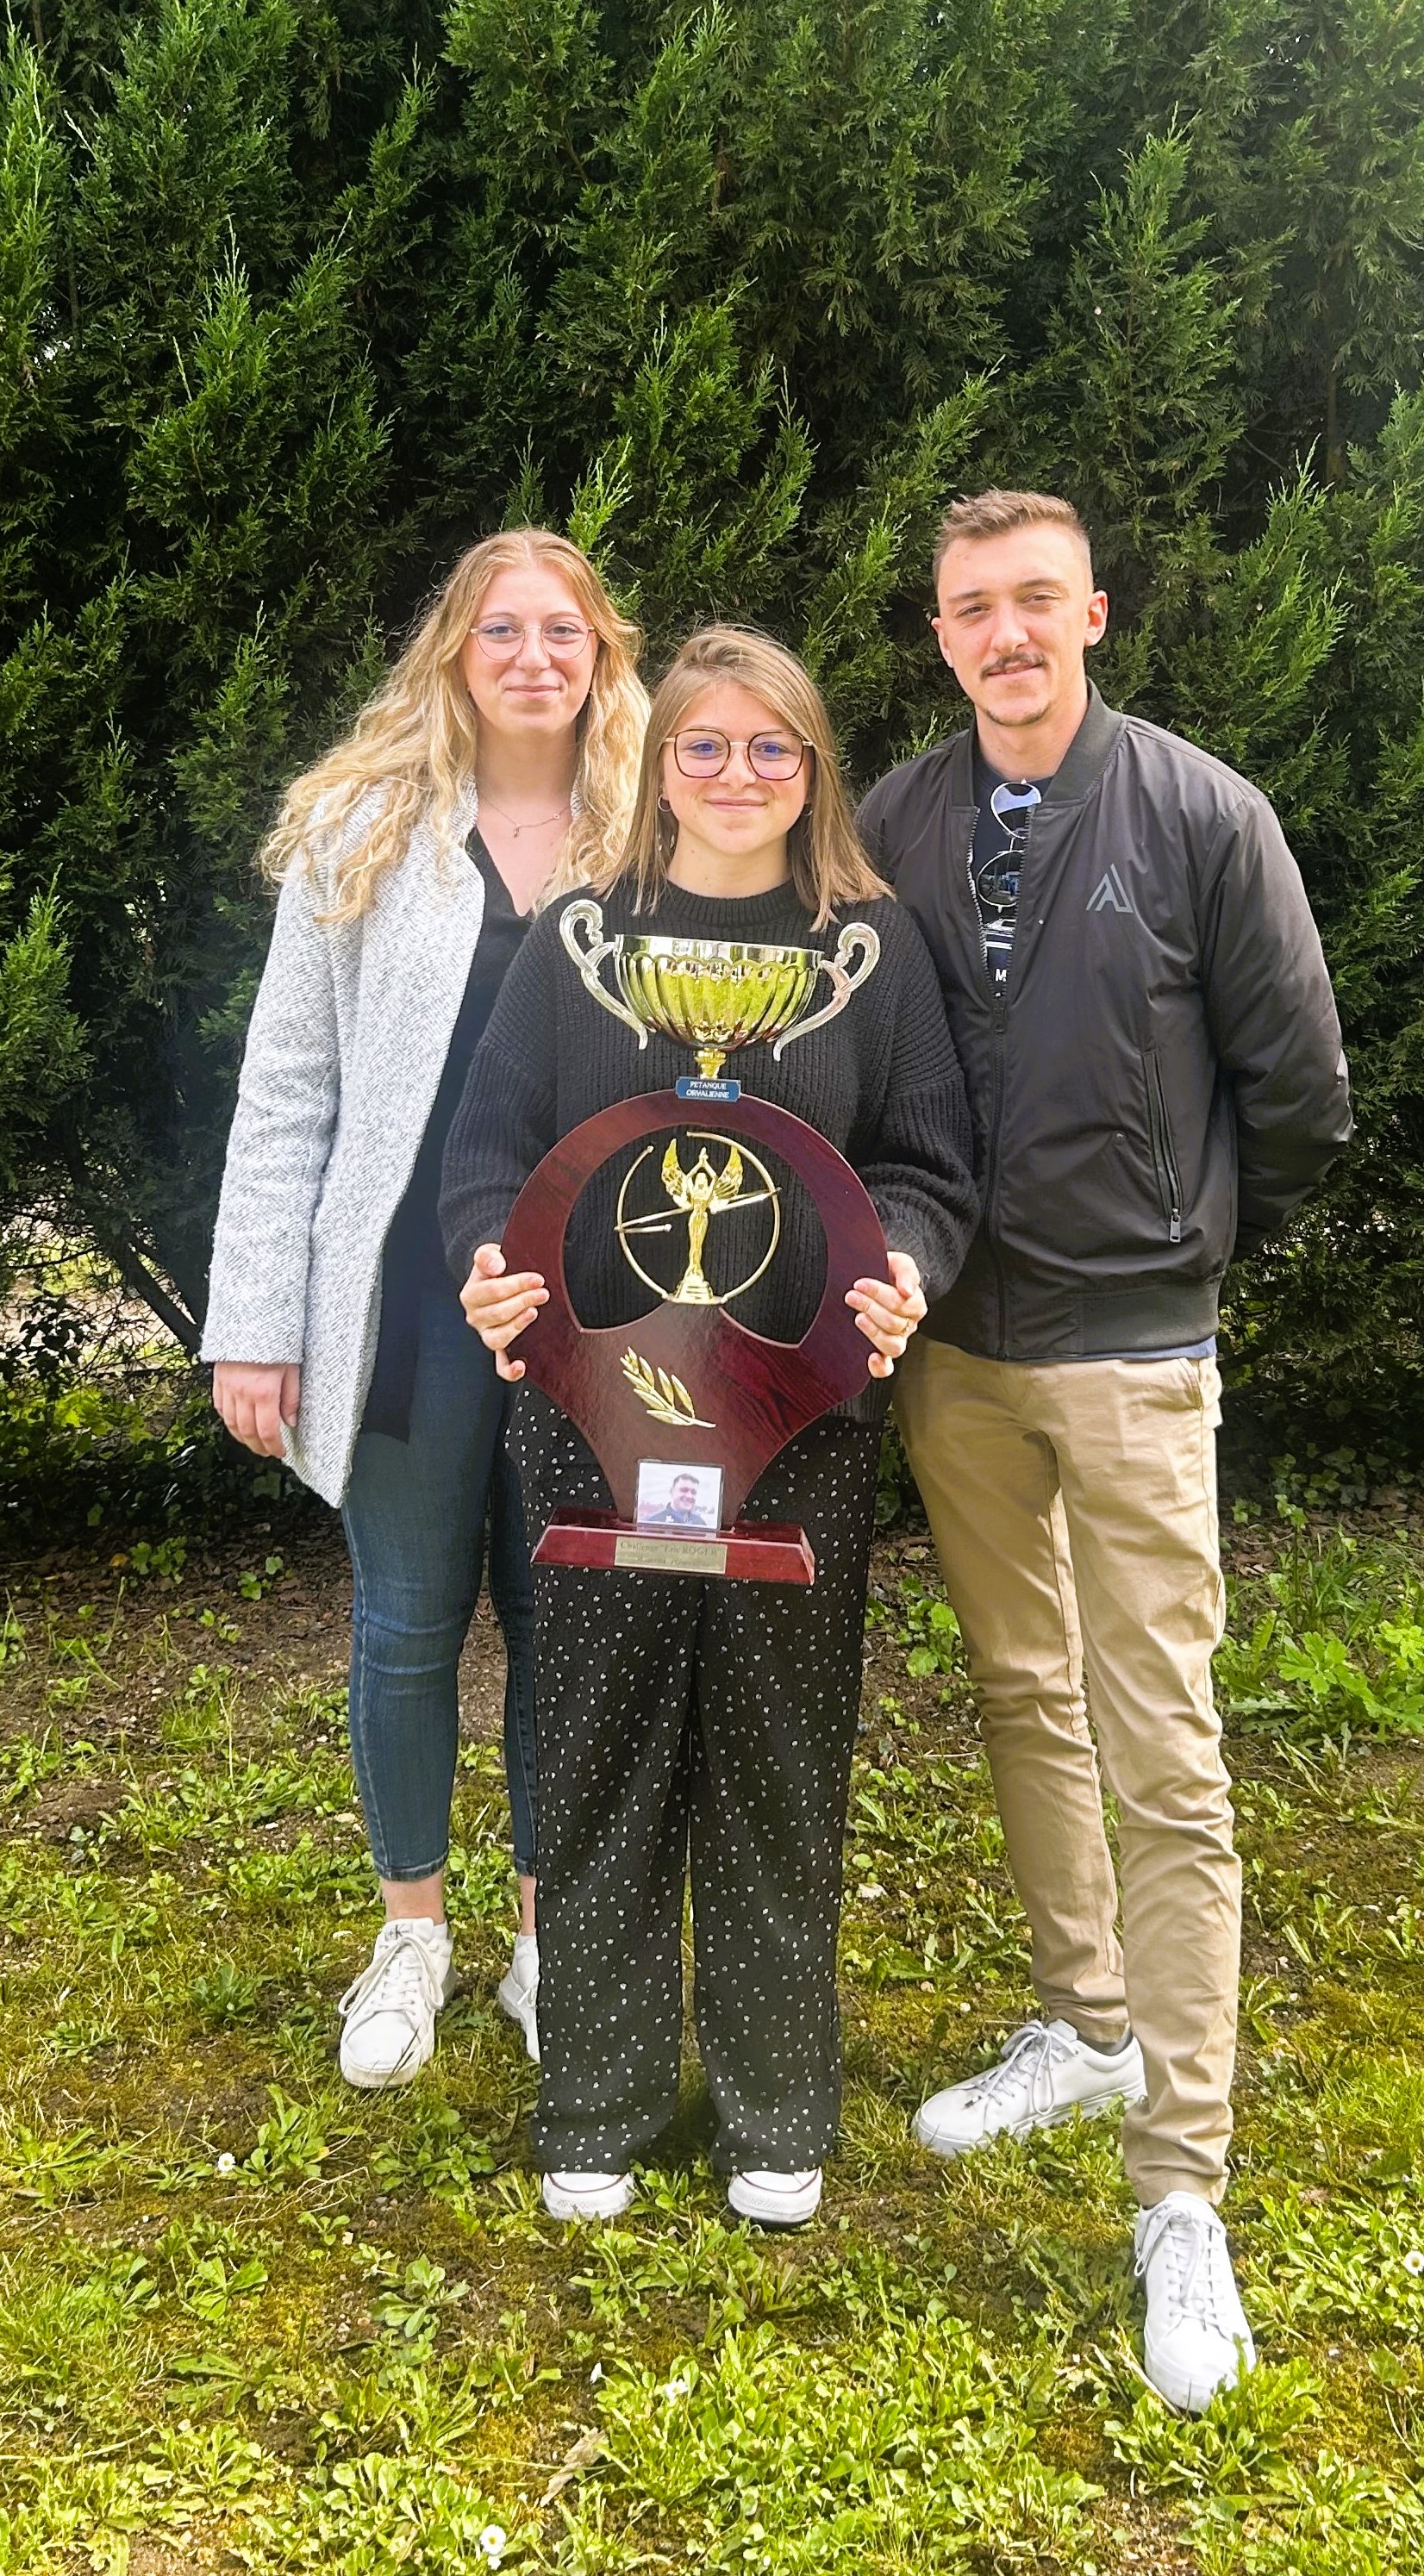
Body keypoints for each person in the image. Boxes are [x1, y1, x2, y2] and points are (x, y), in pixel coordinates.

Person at [860, 490, 1351, 2412]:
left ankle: (1180, 2195)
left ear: (1093, 614)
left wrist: (1189, 1236)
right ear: (940, 632)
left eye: (1035, 602)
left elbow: (1296, 1086)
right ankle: (1082, 2025)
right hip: (957, 1352)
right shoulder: (895, 821)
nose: (1006, 633)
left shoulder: (1201, 814)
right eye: (972, 608)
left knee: (1166, 1756)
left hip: (1135, 1351)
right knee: (1018, 1688)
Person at [444, 626, 977, 2231]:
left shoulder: (865, 945)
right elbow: (491, 1145)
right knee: (598, 1744)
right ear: (658, 757)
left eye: (772, 750)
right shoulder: (580, 940)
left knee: (776, 1754)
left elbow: (929, 1165)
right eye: (706, 747)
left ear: (812, 770)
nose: (737, 775)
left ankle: (773, 2106)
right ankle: (597, 2098)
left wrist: (899, 1269)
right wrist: (491, 1268)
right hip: (592, 1407)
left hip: (795, 1421)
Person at [203, 530, 648, 2088]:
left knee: (556, 1624)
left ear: (603, 652)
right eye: (501, 630)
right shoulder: (359, 829)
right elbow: (287, 1090)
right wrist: (251, 1321)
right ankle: (411, 1934)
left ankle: (541, 1938)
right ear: (454, 652)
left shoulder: (655, 832)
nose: (535, 657)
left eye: (564, 631)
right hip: (394, 1298)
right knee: (404, 1627)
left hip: (590, 1304)